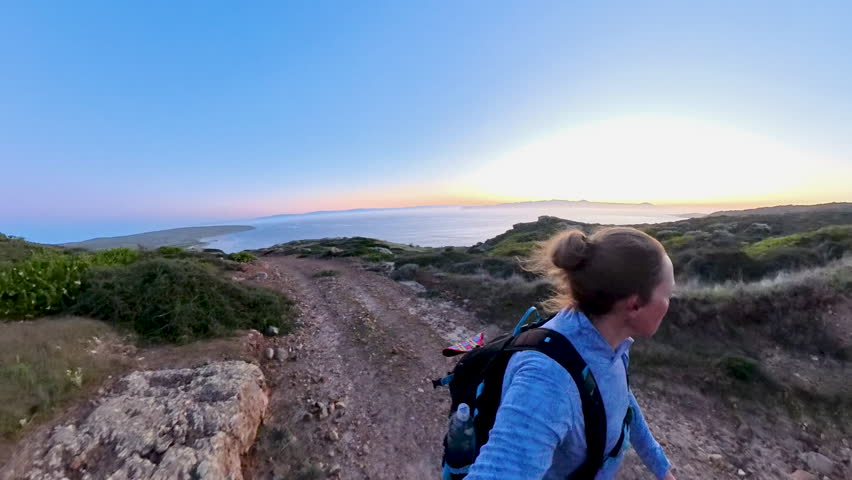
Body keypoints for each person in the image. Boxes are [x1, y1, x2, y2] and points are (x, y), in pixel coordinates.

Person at [465, 227, 677, 480]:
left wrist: (661, 469)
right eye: (668, 294)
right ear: (634, 305)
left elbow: (620, 399)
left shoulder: (607, 340)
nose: (670, 302)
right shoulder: (547, 380)